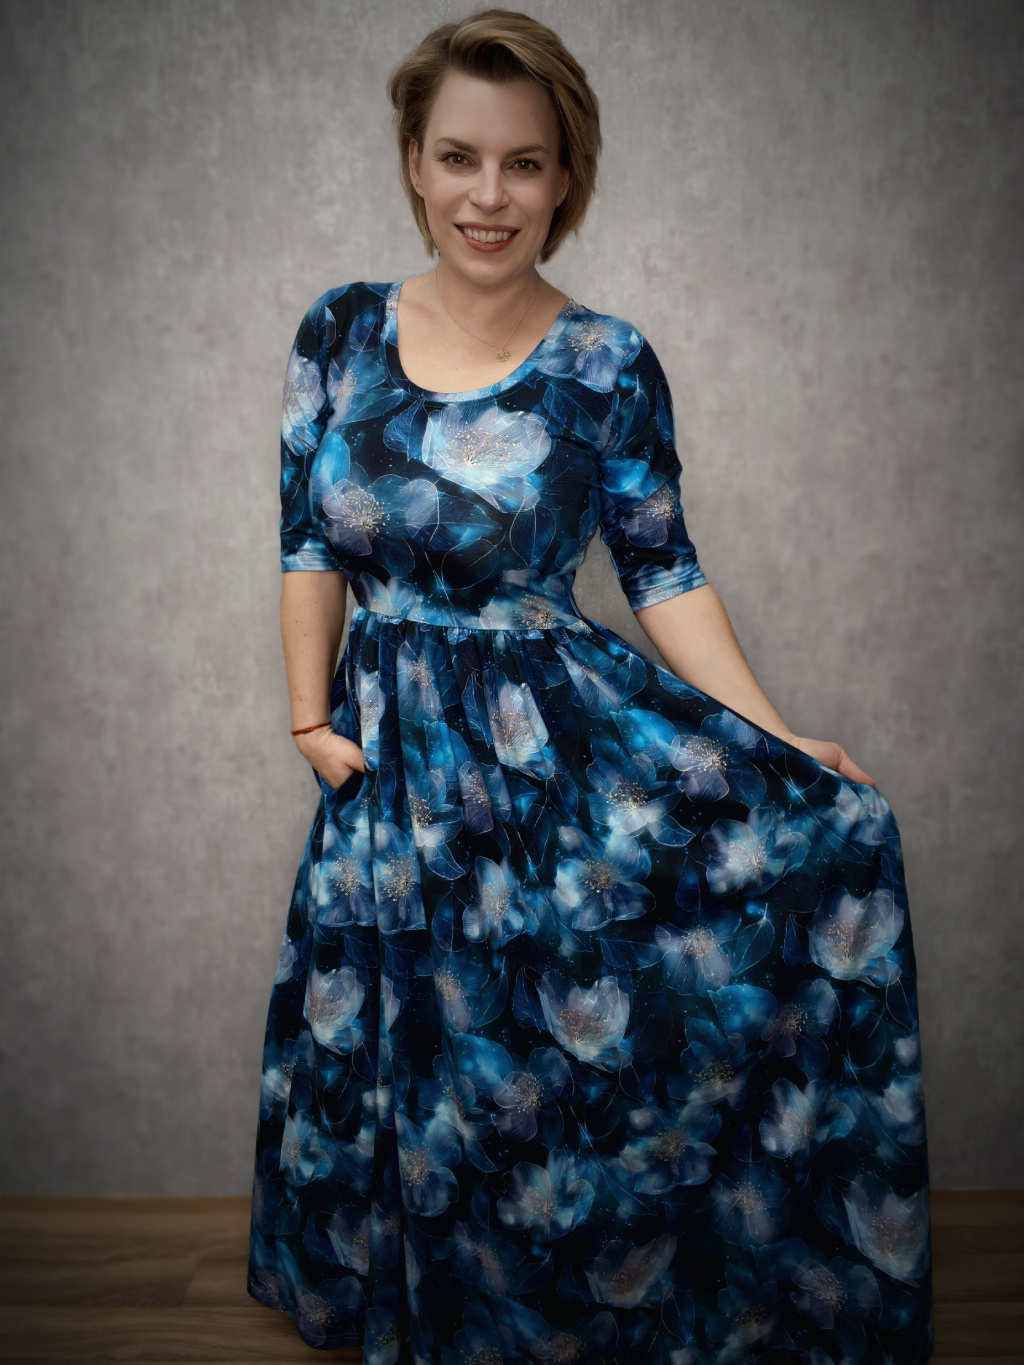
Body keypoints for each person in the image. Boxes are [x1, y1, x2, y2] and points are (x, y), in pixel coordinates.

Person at [247, 11, 932, 1362]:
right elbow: (308, 544)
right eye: (459, 157)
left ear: (566, 178)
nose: (488, 195)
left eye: (524, 163)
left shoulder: (609, 362)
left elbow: (664, 572)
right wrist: (310, 719)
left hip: (549, 754)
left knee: (540, 1056)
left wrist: (775, 737)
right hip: (389, 763)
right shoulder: (338, 331)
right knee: (422, 1050)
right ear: (413, 161)